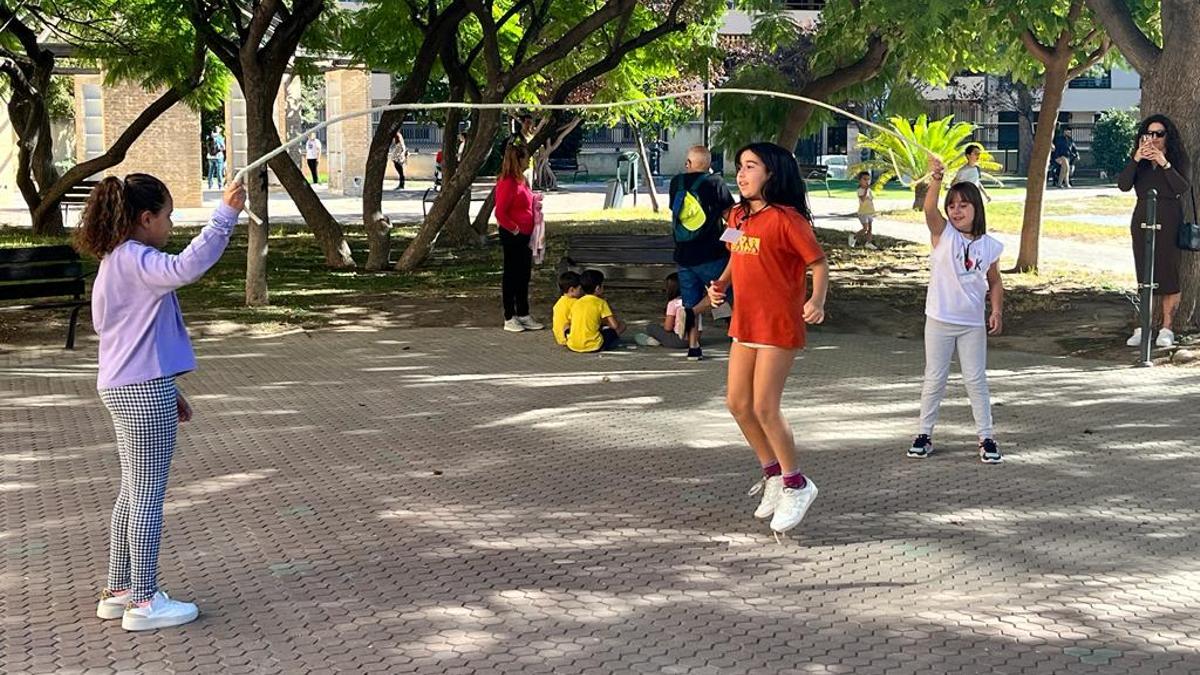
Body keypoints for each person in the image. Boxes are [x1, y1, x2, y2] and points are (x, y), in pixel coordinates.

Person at [72, 174, 247, 631]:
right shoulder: (139, 259)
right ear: (146, 219)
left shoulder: (114, 261)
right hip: (140, 389)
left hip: (123, 386)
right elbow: (187, 267)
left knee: (132, 490)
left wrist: (170, 391)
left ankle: (119, 590)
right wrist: (225, 214)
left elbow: (130, 335)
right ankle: (145, 602)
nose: (171, 226)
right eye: (167, 217)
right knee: (147, 495)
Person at [705, 142, 828, 535]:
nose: (741, 175)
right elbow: (734, 254)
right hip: (744, 324)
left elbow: (818, 263)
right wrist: (719, 286)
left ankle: (797, 483)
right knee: (738, 403)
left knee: (764, 407)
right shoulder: (738, 215)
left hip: (778, 326)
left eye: (751, 166)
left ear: (771, 173)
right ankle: (773, 474)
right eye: (739, 166)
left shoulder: (788, 220)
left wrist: (817, 299)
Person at [909, 156, 1005, 464]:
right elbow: (928, 209)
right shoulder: (943, 234)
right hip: (939, 319)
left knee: (975, 379)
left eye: (963, 205)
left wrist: (996, 311)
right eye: (952, 205)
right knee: (934, 378)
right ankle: (924, 434)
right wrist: (936, 180)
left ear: (977, 208)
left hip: (971, 324)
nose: (956, 211)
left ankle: (986, 437)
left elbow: (995, 281)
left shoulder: (989, 245)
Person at [1118, 114, 1190, 349]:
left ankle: (1167, 327)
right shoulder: (1139, 161)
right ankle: (1143, 325)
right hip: (1142, 218)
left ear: (1168, 136)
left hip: (1169, 218)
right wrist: (1136, 159)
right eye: (1149, 134)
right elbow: (1124, 185)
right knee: (1144, 272)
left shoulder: (1177, 159)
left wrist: (1164, 162)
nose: (1154, 138)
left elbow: (1182, 188)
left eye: (1159, 134)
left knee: (1168, 272)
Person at [668, 145, 736, 361]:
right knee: (731, 292)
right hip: (712, 254)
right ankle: (738, 338)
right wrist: (734, 241)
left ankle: (693, 347)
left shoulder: (675, 183)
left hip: (683, 255)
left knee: (690, 300)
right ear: (709, 165)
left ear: (688, 163)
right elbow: (730, 216)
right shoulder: (715, 182)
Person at [494, 141, 544, 332]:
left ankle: (523, 313)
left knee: (524, 274)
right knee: (512, 275)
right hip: (513, 235)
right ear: (518, 159)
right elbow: (500, 212)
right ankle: (509, 316)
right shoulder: (507, 182)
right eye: (526, 158)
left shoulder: (522, 180)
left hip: (526, 234)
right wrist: (514, 229)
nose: (528, 162)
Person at [566, 269, 625, 353]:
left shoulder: (577, 302)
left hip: (573, 345)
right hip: (594, 346)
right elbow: (614, 325)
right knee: (622, 326)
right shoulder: (601, 303)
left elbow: (571, 323)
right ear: (598, 288)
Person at [634, 273, 692, 349]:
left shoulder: (673, 303)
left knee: (651, 327)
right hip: (693, 339)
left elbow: (668, 327)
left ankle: (655, 341)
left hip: (678, 340)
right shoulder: (692, 301)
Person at [552, 271, 582, 346]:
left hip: (559, 338)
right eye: (580, 289)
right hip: (570, 337)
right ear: (572, 290)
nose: (582, 291)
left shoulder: (559, 303)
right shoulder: (576, 303)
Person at [850, 170, 878, 249]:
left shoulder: (869, 190)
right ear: (860, 180)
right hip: (863, 212)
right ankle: (854, 237)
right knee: (865, 228)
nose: (867, 181)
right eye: (864, 179)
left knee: (870, 228)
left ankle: (868, 242)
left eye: (868, 179)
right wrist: (866, 190)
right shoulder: (860, 190)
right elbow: (862, 199)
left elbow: (871, 199)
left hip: (869, 211)